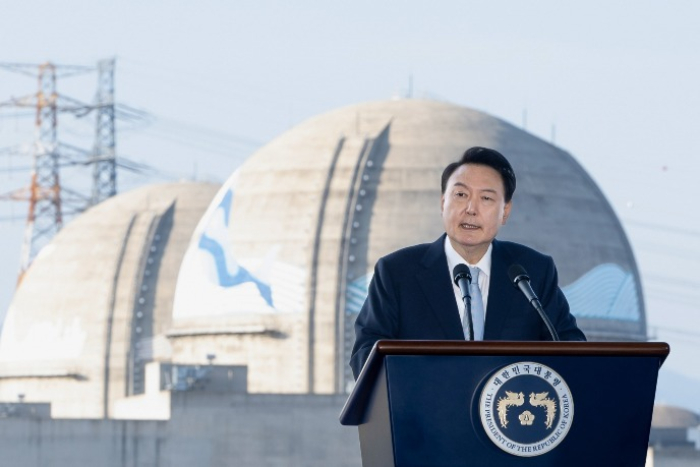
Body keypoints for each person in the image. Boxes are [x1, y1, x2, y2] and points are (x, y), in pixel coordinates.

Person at [350, 146, 586, 379]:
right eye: (461, 195)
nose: (471, 209)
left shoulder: (532, 272)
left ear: (505, 212)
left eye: (486, 198)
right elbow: (365, 357)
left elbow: (570, 348)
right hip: (424, 413)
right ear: (443, 203)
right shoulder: (397, 272)